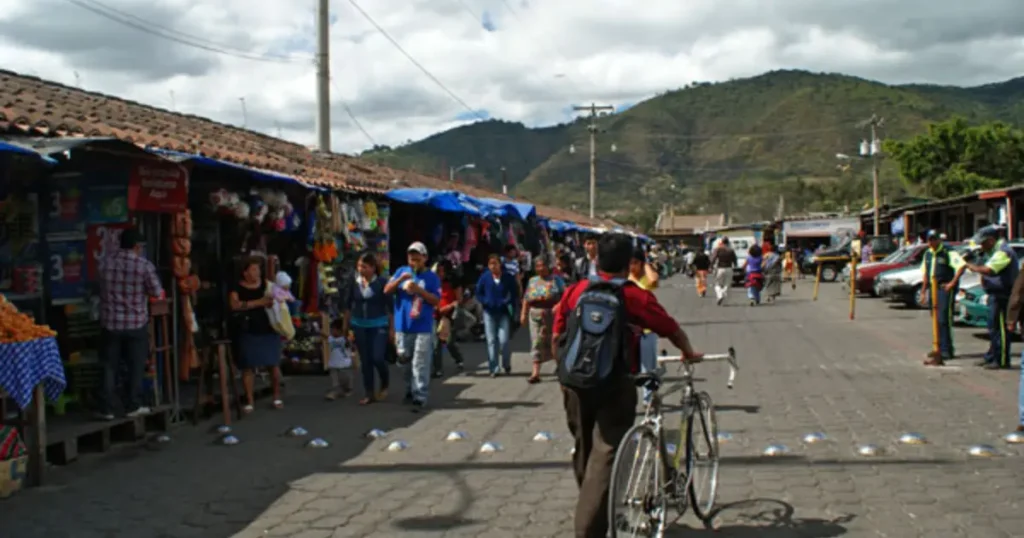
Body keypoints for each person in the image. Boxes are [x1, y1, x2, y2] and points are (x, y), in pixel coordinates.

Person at [552, 233, 703, 538]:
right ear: (628, 264)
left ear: (596, 259)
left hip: (574, 384)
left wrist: (563, 373)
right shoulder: (634, 296)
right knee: (606, 451)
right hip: (615, 383)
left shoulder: (576, 290)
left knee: (584, 446)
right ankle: (589, 527)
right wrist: (688, 351)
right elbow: (670, 328)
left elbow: (557, 334)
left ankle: (593, 503)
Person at [96, 228, 164, 420]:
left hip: (110, 323)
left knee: (109, 366)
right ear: (136, 246)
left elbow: (100, 286)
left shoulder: (105, 264)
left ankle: (106, 409)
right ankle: (132, 405)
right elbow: (156, 292)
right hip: (135, 324)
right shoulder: (144, 266)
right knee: (135, 365)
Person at [384, 242, 441, 412]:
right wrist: (401, 280)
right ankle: (409, 389)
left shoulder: (432, 277)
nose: (413, 261)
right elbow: (386, 290)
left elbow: (436, 301)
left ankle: (420, 396)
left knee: (420, 363)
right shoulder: (402, 271)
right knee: (404, 363)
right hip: (403, 326)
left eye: (417, 258)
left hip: (423, 327)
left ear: (425, 258)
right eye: (411, 258)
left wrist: (419, 290)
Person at [229, 257, 283, 412]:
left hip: (268, 328)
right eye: (253, 269)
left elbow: (281, 296)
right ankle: (249, 400)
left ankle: (276, 396)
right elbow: (234, 304)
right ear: (244, 272)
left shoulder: (266, 285)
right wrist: (258, 303)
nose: (256, 272)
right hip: (248, 329)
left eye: (258, 269)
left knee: (273, 364)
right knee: (248, 367)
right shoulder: (236, 287)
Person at [964, 226, 1019, 369]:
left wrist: (971, 267)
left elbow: (989, 270)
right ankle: (992, 355)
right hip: (994, 294)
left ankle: (1001, 360)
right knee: (993, 327)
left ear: (991, 240)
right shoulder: (992, 252)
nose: (981, 246)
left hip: (1003, 295)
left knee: (1000, 328)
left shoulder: (1003, 252)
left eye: (983, 242)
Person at [342, 253, 392, 405]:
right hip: (359, 326)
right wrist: (346, 325)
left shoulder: (382, 283)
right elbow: (348, 305)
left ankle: (384, 381)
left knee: (377, 357)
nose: (361, 269)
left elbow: (391, 308)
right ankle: (369, 393)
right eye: (359, 266)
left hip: (379, 325)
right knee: (366, 361)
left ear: (372, 268)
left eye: (364, 266)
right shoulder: (354, 283)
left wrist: (392, 329)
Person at [920, 230, 966, 366]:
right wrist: (923, 291)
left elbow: (961, 266)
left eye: (934, 239)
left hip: (944, 288)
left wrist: (952, 283)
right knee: (935, 319)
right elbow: (925, 273)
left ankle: (946, 350)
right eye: (929, 240)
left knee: (943, 319)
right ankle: (937, 347)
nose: (932, 242)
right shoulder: (927, 253)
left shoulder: (947, 252)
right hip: (932, 289)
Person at [521, 257, 566, 383]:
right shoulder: (532, 281)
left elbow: (566, 295)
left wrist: (559, 305)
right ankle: (535, 372)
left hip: (552, 315)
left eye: (543, 265)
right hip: (535, 314)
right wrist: (523, 314)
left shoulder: (556, 280)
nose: (541, 268)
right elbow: (526, 298)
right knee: (536, 342)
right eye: (538, 266)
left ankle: (561, 368)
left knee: (554, 342)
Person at [475, 254, 520, 376]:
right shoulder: (485, 278)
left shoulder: (508, 278)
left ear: (500, 264)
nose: (493, 266)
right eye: (490, 264)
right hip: (489, 313)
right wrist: (485, 301)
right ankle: (493, 368)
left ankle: (506, 364)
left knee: (504, 340)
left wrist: (508, 302)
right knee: (491, 341)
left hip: (504, 313)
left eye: (495, 263)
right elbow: (478, 293)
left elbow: (515, 293)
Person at [628, 247, 661, 403]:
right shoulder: (626, 278)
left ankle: (648, 399)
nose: (631, 266)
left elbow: (654, 280)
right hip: (629, 330)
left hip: (647, 330)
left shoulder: (646, 280)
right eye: (629, 263)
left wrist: (646, 264)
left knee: (647, 368)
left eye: (635, 263)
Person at [432, 260, 465, 378]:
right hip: (435, 314)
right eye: (438, 271)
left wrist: (449, 307)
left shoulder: (453, 282)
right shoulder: (433, 281)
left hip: (448, 316)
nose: (440, 274)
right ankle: (437, 369)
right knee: (436, 343)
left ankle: (458, 358)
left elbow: (459, 300)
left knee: (449, 342)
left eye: (442, 271)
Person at [325, 319, 354, 400]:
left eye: (333, 330)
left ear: (340, 330)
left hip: (344, 364)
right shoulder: (331, 338)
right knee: (335, 378)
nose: (331, 331)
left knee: (346, 377)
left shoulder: (345, 339)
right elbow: (326, 336)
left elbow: (350, 344)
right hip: (334, 363)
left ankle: (347, 389)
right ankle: (335, 390)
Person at [710, 237, 737, 306]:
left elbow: (713, 258)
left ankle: (720, 295)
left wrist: (711, 266)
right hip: (729, 268)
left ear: (722, 242)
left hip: (720, 268)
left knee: (717, 284)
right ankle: (723, 297)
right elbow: (735, 259)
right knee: (727, 284)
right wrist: (735, 265)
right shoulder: (731, 250)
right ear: (728, 242)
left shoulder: (718, 249)